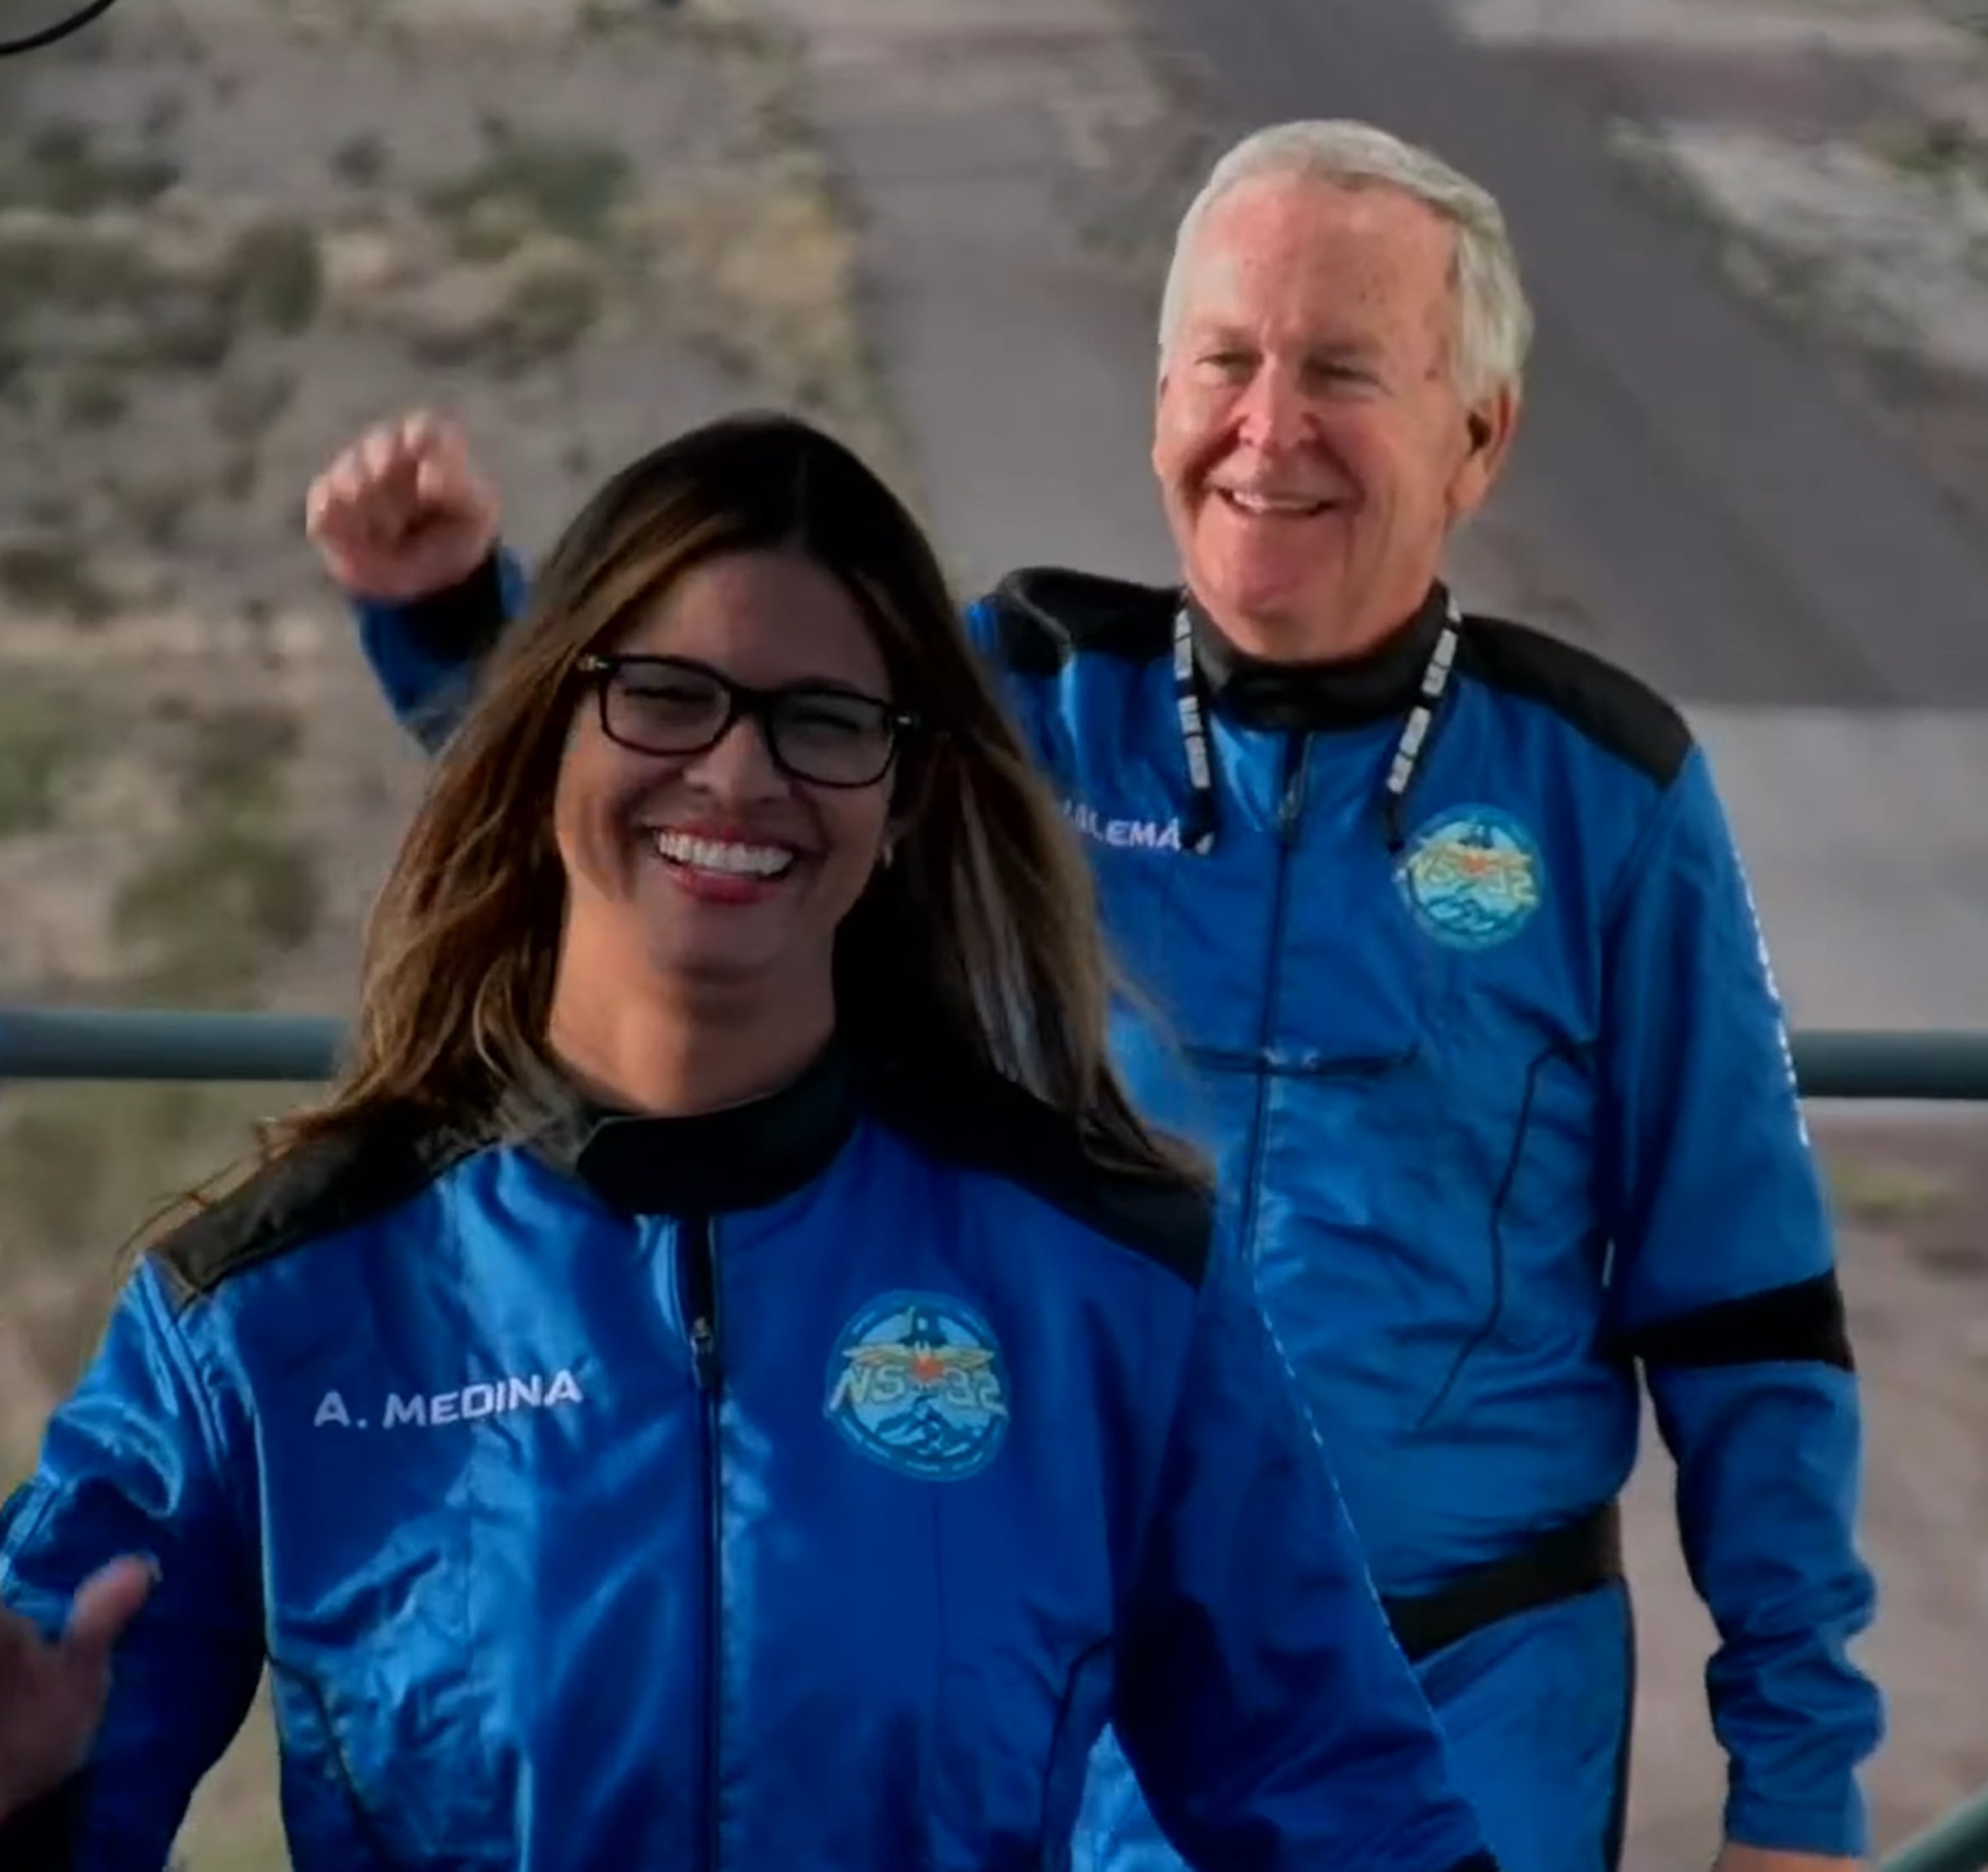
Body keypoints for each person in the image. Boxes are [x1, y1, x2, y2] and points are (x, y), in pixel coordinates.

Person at [308, 120, 1885, 1872]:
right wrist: (454, 615)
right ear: (1157, 399)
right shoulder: (1015, 706)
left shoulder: (1602, 788)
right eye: (1223, 359)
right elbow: (677, 810)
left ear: (1477, 434)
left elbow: (1741, 1310)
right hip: (1065, 1677)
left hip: (1468, 1682)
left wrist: (1794, 1794)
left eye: (1340, 369)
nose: (1264, 427)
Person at [0, 413, 1502, 1872]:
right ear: (542, 724)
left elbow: (1347, 1815)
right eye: (664, 697)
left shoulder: (1106, 1289)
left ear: (904, 792)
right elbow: (26, 1799)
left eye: (821, 723)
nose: (735, 772)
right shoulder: (273, 1314)